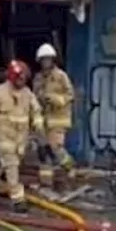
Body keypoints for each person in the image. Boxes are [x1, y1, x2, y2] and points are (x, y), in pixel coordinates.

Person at [0, 59, 45, 211]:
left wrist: (38, 124)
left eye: (24, 78)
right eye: (20, 78)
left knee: (6, 167)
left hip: (20, 141)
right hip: (4, 140)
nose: (22, 81)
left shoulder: (27, 93)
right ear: (12, 77)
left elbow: (36, 111)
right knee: (12, 168)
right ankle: (18, 200)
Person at [32, 43, 76, 189]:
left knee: (56, 147)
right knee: (43, 151)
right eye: (43, 60)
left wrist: (55, 99)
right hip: (43, 120)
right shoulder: (38, 78)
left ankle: (70, 167)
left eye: (48, 59)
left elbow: (70, 95)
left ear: (53, 60)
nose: (46, 62)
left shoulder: (61, 76)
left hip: (58, 119)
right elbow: (34, 96)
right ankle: (46, 181)